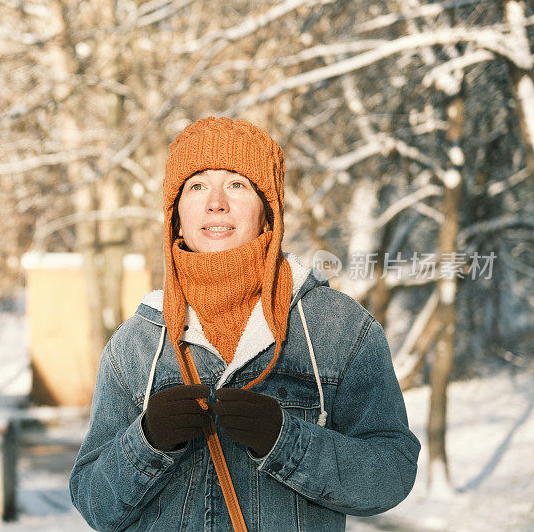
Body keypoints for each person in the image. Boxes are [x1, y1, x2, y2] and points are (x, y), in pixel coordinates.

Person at [69, 117, 420, 531]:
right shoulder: (137, 344)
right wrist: (146, 442)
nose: (216, 202)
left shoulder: (339, 329)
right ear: (176, 215)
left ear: (267, 210)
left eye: (236, 184)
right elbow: (94, 502)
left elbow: (392, 473)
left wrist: (287, 442)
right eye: (197, 185)